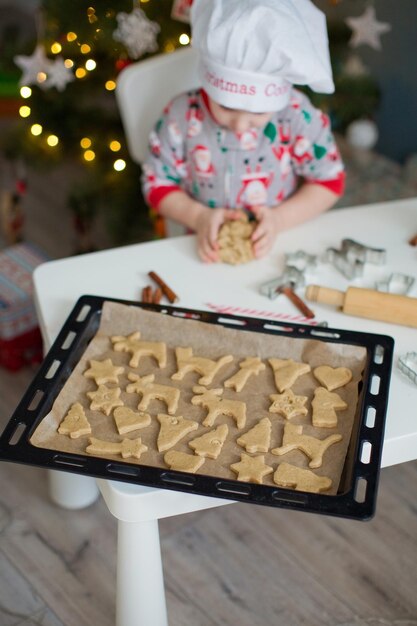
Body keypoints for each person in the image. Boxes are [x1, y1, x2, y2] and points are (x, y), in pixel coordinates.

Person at [142, 0, 345, 263]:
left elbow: (330, 181)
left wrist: (280, 219)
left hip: (280, 246)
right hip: (201, 247)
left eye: (259, 113)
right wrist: (198, 217)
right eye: (225, 106)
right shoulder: (181, 115)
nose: (239, 126)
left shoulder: (296, 115)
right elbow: (156, 184)